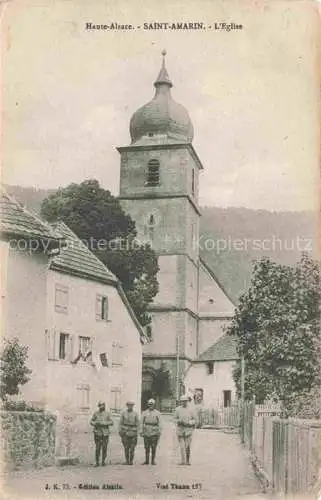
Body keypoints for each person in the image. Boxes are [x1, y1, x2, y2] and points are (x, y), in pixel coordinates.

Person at [174, 394, 197, 465]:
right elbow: (174, 419)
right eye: (182, 401)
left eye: (185, 401)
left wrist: (189, 423)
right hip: (180, 430)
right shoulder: (177, 409)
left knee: (187, 446)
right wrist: (179, 421)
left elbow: (195, 420)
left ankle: (187, 460)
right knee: (182, 447)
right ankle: (182, 461)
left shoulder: (192, 410)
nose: (184, 402)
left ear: (187, 401)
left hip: (188, 430)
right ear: (180, 402)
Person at [90, 401, 114, 466]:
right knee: (97, 448)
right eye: (100, 405)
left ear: (104, 406)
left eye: (103, 405)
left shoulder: (107, 414)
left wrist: (104, 423)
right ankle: (97, 462)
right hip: (97, 433)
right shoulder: (96, 413)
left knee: (104, 448)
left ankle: (103, 461)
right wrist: (95, 423)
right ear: (98, 406)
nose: (102, 407)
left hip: (105, 434)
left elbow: (111, 422)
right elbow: (91, 421)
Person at [141, 398, 161, 465]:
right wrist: (141, 431)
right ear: (148, 405)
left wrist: (159, 431)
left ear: (154, 405)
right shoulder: (144, 412)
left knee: (153, 447)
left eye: (152, 404)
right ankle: (146, 460)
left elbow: (160, 423)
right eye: (149, 404)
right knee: (146, 447)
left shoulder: (157, 413)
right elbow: (141, 422)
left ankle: (153, 460)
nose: (150, 406)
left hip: (154, 431)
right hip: (146, 430)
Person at [119, 401, 139, 465]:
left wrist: (135, 431)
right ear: (127, 406)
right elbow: (120, 423)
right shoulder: (123, 413)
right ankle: (127, 460)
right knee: (126, 448)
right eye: (129, 405)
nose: (130, 406)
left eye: (131, 405)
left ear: (133, 406)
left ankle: (131, 461)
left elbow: (138, 424)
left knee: (132, 448)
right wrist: (121, 431)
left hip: (133, 432)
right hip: (125, 432)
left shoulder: (135, 414)